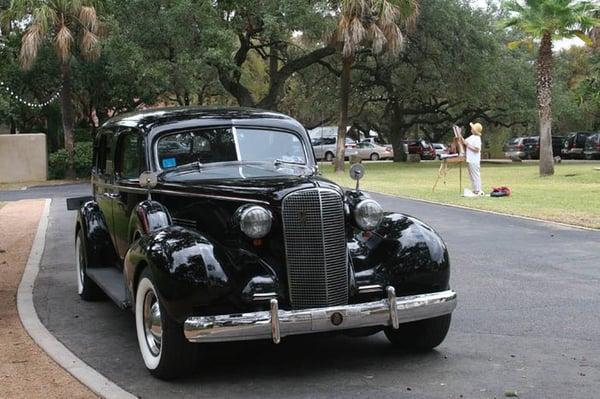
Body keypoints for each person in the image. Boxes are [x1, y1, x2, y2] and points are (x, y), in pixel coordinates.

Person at [462, 122, 483, 196]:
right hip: (470, 159)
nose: (471, 129)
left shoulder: (477, 138)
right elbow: (464, 141)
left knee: (475, 175)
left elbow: (477, 149)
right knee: (471, 175)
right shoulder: (472, 137)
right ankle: (474, 189)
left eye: (472, 128)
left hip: (474, 160)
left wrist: (468, 145)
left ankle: (478, 190)